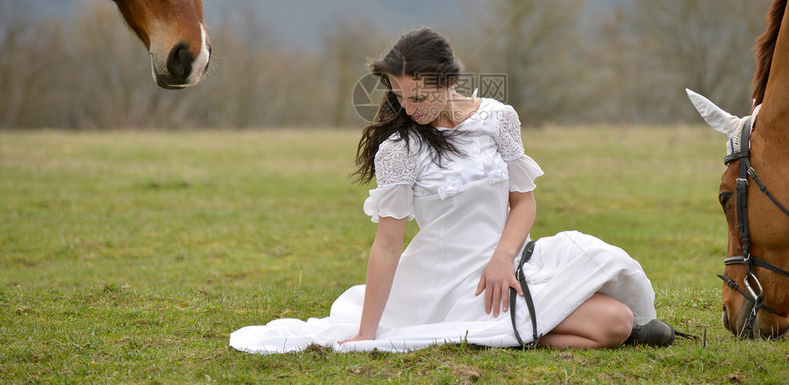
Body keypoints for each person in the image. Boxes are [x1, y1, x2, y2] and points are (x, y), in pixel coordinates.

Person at [230, 27, 673, 353]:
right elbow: (387, 246)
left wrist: (502, 260)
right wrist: (368, 332)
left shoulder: (499, 119)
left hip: (510, 261)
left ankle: (510, 331)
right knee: (612, 327)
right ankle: (504, 333)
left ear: (448, 81)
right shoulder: (399, 148)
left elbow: (523, 201)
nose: (409, 108)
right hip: (446, 283)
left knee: (616, 318)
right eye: (401, 97)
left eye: (419, 98)